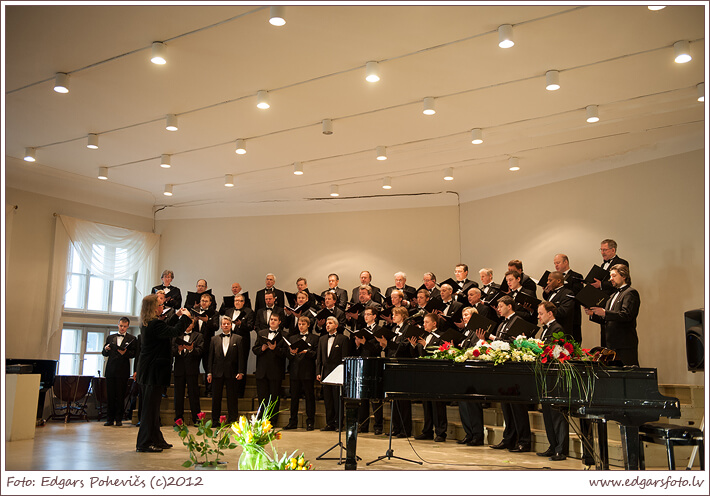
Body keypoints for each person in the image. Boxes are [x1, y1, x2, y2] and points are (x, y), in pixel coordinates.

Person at [135, 294, 192, 453]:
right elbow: (174, 331)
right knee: (149, 409)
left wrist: (176, 316)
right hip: (153, 371)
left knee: (153, 409)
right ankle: (144, 443)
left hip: (152, 370)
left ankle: (156, 439)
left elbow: (166, 328)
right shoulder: (154, 324)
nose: (162, 307)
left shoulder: (151, 323)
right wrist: (186, 318)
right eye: (160, 305)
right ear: (154, 308)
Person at [478, 296, 531, 453]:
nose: (498, 309)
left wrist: (493, 338)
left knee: (517, 407)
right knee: (506, 406)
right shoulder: (502, 323)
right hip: (504, 368)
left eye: (501, 306)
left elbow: (517, 343)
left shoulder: (518, 321)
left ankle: (524, 441)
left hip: (515, 369)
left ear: (509, 306)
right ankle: (509, 439)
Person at [586, 264, 640, 366]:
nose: (611, 279)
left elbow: (627, 315)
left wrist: (605, 312)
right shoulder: (612, 296)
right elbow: (607, 319)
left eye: (614, 276)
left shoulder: (630, 293)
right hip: (611, 344)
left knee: (628, 371)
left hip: (624, 343)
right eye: (610, 276)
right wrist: (593, 313)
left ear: (623, 276)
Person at [536, 301, 569, 461]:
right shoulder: (546, 330)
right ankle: (553, 445)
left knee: (557, 414)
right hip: (546, 376)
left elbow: (555, 351)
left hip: (555, 377)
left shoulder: (557, 328)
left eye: (541, 313)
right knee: (548, 413)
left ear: (550, 313)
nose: (538, 317)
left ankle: (561, 449)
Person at [413, 313, 448, 442]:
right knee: (426, 403)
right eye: (424, 322)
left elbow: (441, 352)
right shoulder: (424, 336)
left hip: (437, 374)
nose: (424, 324)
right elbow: (418, 354)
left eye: (427, 322)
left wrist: (426, 345)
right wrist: (414, 345)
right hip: (424, 373)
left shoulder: (441, 336)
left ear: (434, 323)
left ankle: (441, 432)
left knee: (437, 404)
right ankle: (427, 430)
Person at [207, 316, 246, 424]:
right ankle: (215, 420)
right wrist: (209, 372)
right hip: (217, 372)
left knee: (232, 398)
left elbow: (241, 357)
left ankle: (233, 420)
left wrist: (240, 371)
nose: (226, 325)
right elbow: (210, 357)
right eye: (224, 324)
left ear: (231, 325)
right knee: (216, 398)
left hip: (232, 372)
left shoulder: (238, 339)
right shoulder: (214, 339)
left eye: (228, 324)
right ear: (221, 326)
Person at [284, 315, 320, 431]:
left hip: (308, 372)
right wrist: (292, 352)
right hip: (295, 372)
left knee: (309, 397)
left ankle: (310, 422)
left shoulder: (314, 338)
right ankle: (293, 421)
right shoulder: (292, 338)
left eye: (303, 324)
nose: (301, 326)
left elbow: (316, 354)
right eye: (299, 324)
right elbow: (288, 355)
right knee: (294, 398)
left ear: (308, 325)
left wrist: (306, 352)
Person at [352, 307, 384, 434]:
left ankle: (378, 426)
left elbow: (377, 349)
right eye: (365, 314)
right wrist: (358, 345)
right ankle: (363, 425)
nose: (366, 317)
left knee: (376, 398)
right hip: (363, 364)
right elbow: (359, 351)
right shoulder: (362, 330)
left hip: (374, 365)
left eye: (368, 314)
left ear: (374, 316)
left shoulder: (379, 330)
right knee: (363, 397)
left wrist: (365, 343)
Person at [252, 313, 289, 423]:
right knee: (262, 397)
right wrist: (262, 349)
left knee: (274, 397)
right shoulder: (261, 333)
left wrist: (275, 349)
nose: (272, 321)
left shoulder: (284, 335)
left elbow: (286, 353)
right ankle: (261, 418)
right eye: (271, 319)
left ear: (279, 322)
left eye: (275, 320)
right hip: (262, 370)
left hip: (276, 370)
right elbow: (254, 349)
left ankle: (272, 420)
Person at [457, 307, 485, 446]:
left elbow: (478, 348)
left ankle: (477, 435)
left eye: (467, 314)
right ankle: (469, 433)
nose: (464, 317)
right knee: (463, 404)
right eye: (463, 315)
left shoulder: (477, 331)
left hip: (473, 372)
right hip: (463, 371)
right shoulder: (465, 332)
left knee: (473, 405)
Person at [102, 317, 137, 426]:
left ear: (128, 327)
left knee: (120, 395)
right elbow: (104, 353)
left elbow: (134, 354)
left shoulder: (132, 339)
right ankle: (109, 419)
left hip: (123, 371)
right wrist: (106, 349)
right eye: (121, 326)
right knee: (110, 396)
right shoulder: (110, 337)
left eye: (125, 326)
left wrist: (125, 353)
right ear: (118, 325)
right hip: (111, 370)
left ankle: (119, 419)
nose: (122, 328)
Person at [316, 316, 350, 431]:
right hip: (325, 373)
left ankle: (339, 424)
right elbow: (319, 358)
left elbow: (344, 358)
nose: (327, 325)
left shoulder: (343, 339)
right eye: (326, 323)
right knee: (328, 400)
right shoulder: (322, 339)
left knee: (337, 400)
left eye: (330, 323)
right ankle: (329, 423)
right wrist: (318, 372)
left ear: (336, 325)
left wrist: (343, 373)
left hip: (337, 374)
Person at [171, 317, 203, 426]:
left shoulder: (198, 336)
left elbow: (200, 351)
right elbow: (171, 351)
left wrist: (191, 350)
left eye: (191, 323)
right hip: (179, 369)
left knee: (194, 395)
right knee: (178, 395)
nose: (188, 325)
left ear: (193, 325)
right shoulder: (177, 335)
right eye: (187, 323)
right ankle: (178, 419)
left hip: (192, 369)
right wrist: (178, 350)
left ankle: (197, 419)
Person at [223, 294, 254, 398]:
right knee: (229, 365)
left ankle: (240, 392)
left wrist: (241, 324)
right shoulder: (228, 311)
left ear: (243, 302)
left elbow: (250, 327)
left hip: (243, 342)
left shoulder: (249, 311)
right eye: (236, 300)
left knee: (241, 366)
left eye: (240, 301)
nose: (237, 302)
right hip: (229, 341)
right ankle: (230, 391)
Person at [552, 254, 584, 343]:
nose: (556, 265)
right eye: (555, 263)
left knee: (573, 341)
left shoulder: (576, 276)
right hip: (558, 316)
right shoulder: (554, 277)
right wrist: (548, 290)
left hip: (572, 315)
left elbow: (577, 293)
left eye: (558, 263)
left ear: (565, 262)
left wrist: (561, 286)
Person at [194, 293, 219, 396]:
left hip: (208, 344)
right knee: (193, 368)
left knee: (208, 368)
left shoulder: (214, 313)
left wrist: (207, 321)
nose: (204, 303)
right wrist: (194, 321)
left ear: (210, 303)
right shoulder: (194, 312)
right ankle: (193, 391)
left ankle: (209, 391)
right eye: (202, 301)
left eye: (206, 301)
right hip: (195, 344)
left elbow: (216, 326)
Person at [541, 271, 575, 337]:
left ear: (558, 281)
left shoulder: (567, 293)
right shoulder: (551, 293)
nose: (547, 282)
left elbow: (564, 311)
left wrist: (547, 311)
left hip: (561, 331)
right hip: (549, 329)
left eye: (550, 280)